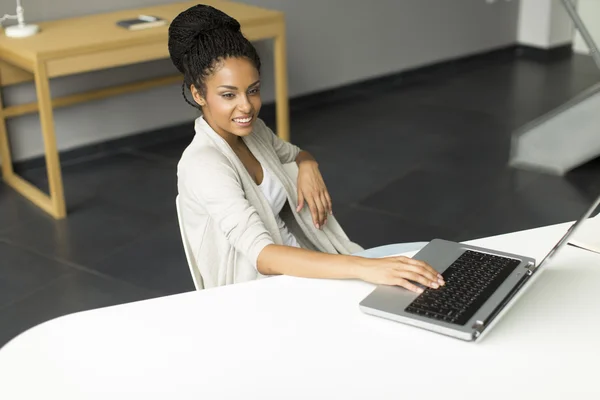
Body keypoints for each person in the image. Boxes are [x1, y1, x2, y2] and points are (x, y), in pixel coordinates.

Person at [169, 4, 445, 291]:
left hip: (308, 266)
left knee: (421, 285)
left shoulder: (255, 133)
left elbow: (296, 153)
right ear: (198, 93)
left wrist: (308, 165)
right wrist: (366, 268)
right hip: (262, 294)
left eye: (253, 90)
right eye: (228, 95)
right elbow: (262, 255)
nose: (247, 106)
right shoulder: (204, 165)